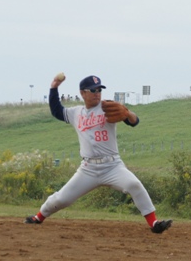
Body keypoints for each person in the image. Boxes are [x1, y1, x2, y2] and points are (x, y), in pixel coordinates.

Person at [24, 74, 172, 234]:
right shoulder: (76, 113)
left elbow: (134, 122)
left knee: (134, 185)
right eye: (93, 90)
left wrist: (128, 113)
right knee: (61, 199)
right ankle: (38, 217)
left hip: (113, 166)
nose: (97, 93)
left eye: (99, 89)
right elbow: (57, 111)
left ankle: (154, 223)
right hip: (88, 169)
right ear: (83, 93)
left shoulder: (107, 107)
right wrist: (54, 87)